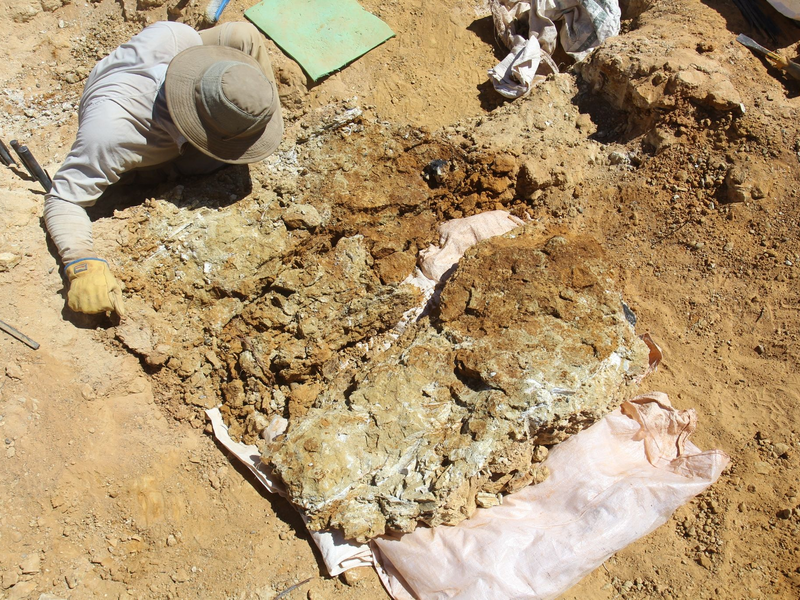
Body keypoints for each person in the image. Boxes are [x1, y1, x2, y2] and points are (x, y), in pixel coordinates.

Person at [44, 21, 284, 317]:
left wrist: (249, 113)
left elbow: (241, 39)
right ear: (195, 129)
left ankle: (246, 122)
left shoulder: (176, 38)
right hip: (131, 140)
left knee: (242, 35)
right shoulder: (113, 137)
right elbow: (63, 200)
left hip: (152, 99)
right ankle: (147, 179)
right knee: (210, 163)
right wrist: (82, 265)